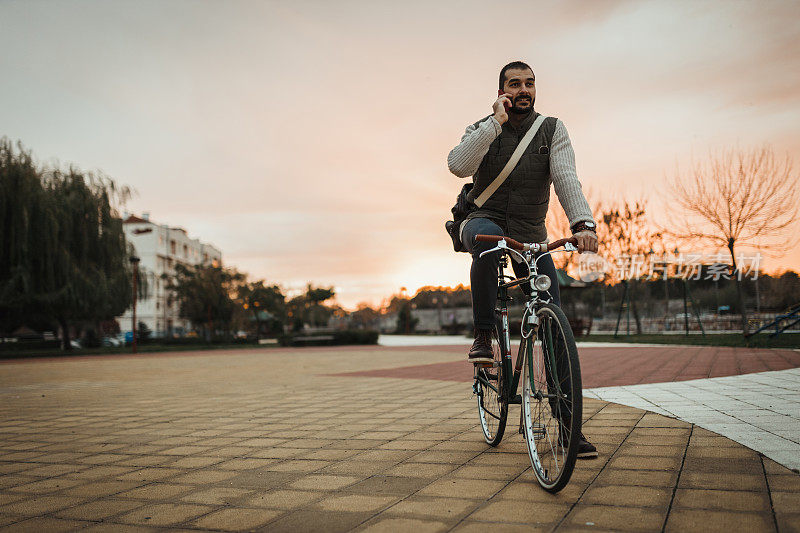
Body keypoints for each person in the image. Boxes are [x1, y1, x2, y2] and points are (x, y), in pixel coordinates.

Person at [447, 61, 599, 458]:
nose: (523, 90)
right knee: (491, 241)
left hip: (531, 234)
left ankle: (568, 428)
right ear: (501, 90)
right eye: (514, 84)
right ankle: (483, 335)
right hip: (481, 221)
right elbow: (458, 165)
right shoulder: (482, 127)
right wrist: (494, 123)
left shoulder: (552, 130)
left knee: (553, 322)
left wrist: (583, 223)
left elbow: (566, 177)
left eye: (529, 83)